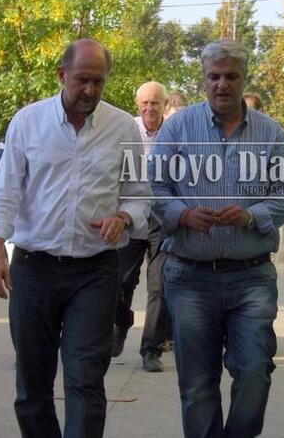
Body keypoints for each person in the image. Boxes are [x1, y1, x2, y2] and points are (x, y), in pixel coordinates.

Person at [0, 38, 153, 438]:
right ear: (61, 76)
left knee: (86, 378)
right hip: (34, 270)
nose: (89, 91)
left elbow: (140, 194)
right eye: (81, 81)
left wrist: (123, 217)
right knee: (33, 383)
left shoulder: (123, 127)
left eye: (98, 82)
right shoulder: (28, 122)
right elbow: (4, 193)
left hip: (94, 272)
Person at [150, 40, 284, 438]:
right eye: (214, 76)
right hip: (190, 277)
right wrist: (182, 214)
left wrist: (253, 215)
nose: (222, 84)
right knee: (197, 385)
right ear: (203, 81)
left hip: (251, 278)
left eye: (231, 76)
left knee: (255, 372)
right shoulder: (178, 128)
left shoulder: (269, 132)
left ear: (243, 79)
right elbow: (154, 188)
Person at [112, 81, 171, 373]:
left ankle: (151, 349)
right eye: (145, 103)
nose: (150, 108)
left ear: (165, 105)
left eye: (155, 103)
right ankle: (121, 323)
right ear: (138, 104)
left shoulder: (174, 132)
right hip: (130, 215)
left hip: (161, 219)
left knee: (158, 286)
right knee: (120, 280)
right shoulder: (126, 129)